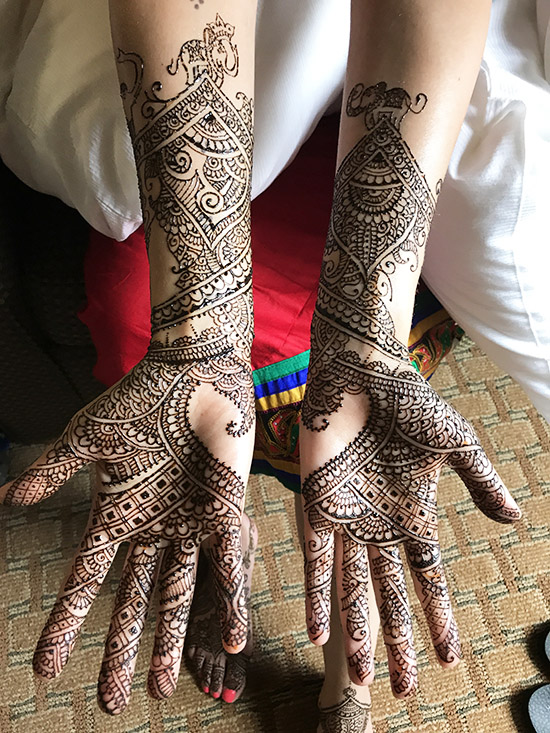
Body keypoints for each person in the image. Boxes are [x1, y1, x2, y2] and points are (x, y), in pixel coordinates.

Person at [0, 1, 523, 731]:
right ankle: (226, 538)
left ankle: (347, 670)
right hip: (200, 118)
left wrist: (367, 336)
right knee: (138, 323)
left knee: (363, 443)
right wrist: (199, 338)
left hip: (408, 118)